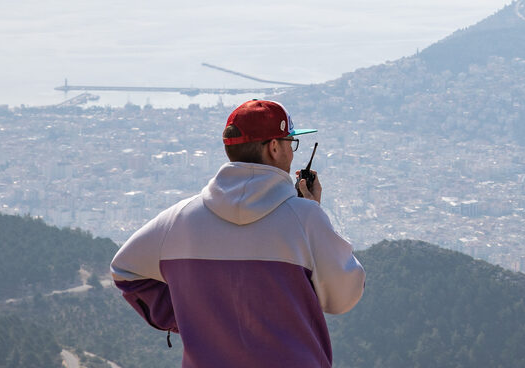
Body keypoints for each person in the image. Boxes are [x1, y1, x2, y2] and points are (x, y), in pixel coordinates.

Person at [111, 99, 365, 368]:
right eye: (291, 143)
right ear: (274, 148)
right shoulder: (305, 219)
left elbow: (125, 269)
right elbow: (343, 297)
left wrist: (190, 316)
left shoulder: (179, 220)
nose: (292, 153)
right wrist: (314, 214)